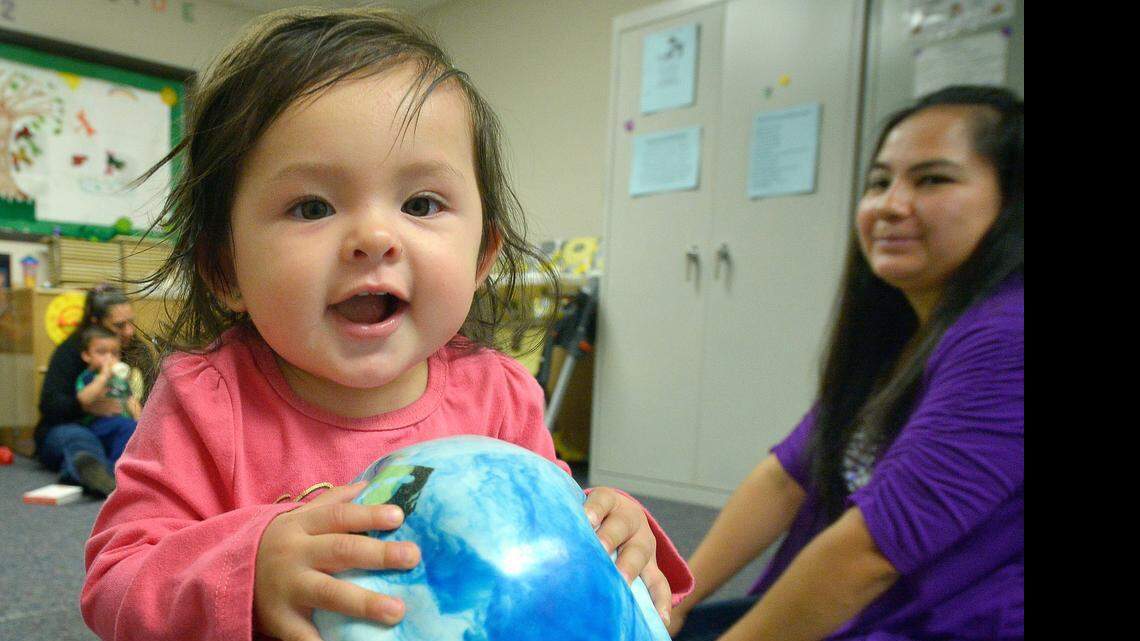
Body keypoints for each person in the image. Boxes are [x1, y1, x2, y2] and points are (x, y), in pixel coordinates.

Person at [81, 8, 693, 641]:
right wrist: (252, 568)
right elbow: (117, 581)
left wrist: (612, 528)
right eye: (312, 206)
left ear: (483, 254)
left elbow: (546, 536)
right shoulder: (206, 399)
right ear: (224, 268)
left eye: (420, 204)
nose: (374, 237)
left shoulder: (500, 395)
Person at [668, 85, 1023, 641]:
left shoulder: (1006, 337)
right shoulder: (910, 329)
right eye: (880, 182)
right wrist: (675, 598)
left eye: (932, 179)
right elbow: (788, 476)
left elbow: (869, 555)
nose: (891, 204)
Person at [36, 283, 145, 497]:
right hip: (68, 427)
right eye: (119, 325)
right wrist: (85, 406)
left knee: (130, 433)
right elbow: (50, 405)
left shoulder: (136, 351)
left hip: (115, 427)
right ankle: (93, 474)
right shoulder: (71, 350)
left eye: (131, 323)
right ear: (96, 322)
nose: (129, 331)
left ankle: (117, 476)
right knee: (80, 439)